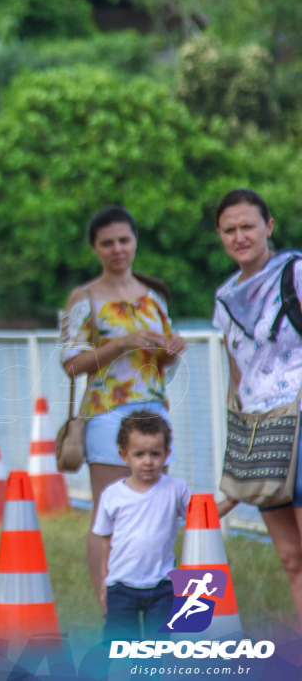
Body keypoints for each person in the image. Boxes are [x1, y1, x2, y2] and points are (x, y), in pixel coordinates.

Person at [60, 205, 187, 610]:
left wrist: (173, 349)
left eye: (124, 240)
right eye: (107, 243)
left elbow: (161, 361)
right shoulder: (85, 298)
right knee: (111, 513)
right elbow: (71, 364)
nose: (117, 249)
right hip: (107, 413)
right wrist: (121, 342)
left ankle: (156, 600)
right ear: (95, 248)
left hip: (155, 412)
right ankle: (109, 606)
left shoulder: (154, 297)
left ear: (135, 241)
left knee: (158, 509)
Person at [212, 188, 302, 629]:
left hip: (300, 421)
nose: (239, 236)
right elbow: (237, 375)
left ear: (268, 226)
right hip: (263, 432)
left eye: (248, 226)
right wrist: (238, 447)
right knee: (290, 558)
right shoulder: (225, 299)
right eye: (229, 230)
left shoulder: (296, 274)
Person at [92, 410, 234, 641]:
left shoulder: (176, 489)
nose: (148, 461)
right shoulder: (112, 495)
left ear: (167, 454)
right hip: (120, 586)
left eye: (155, 454)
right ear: (124, 455)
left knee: (156, 650)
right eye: (139, 454)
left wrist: (231, 500)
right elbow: (105, 540)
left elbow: (203, 516)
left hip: (162, 586)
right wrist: (103, 581)